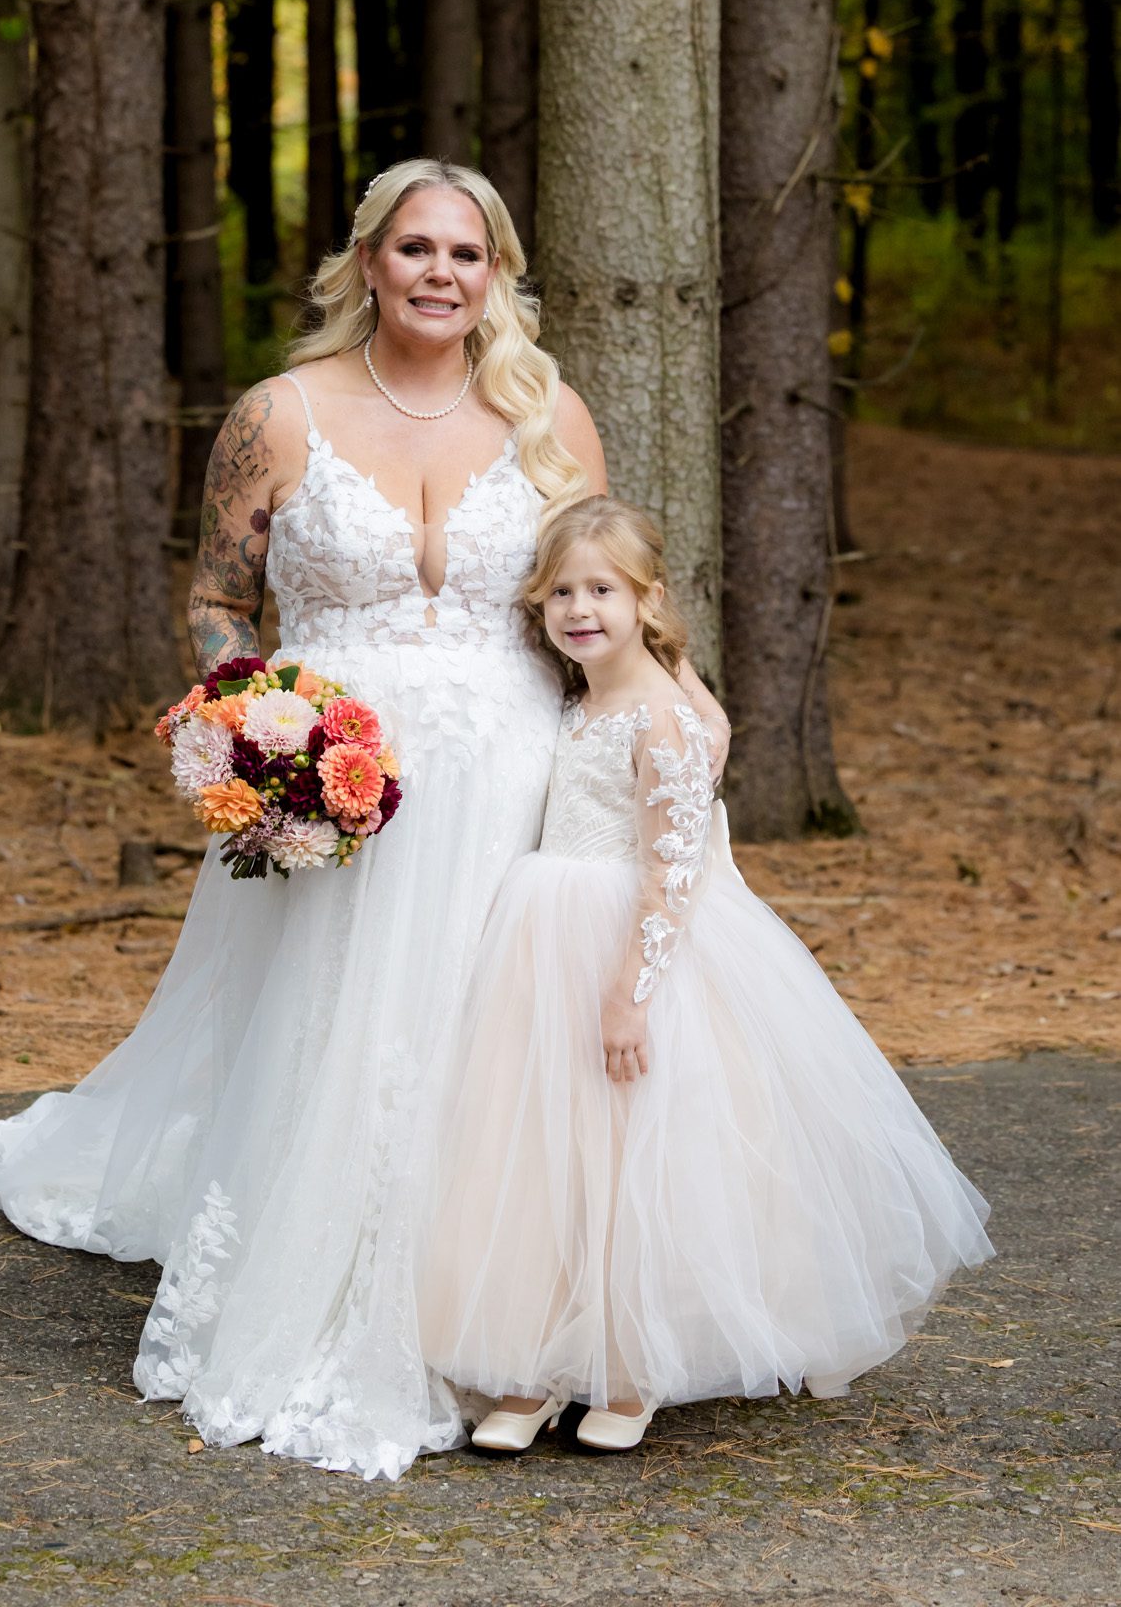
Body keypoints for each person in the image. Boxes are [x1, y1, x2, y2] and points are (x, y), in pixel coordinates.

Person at [0, 160, 730, 1481]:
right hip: (337, 783)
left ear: (496, 273)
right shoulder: (277, 413)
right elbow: (221, 598)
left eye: (467, 253)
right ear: (368, 264)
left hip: (514, 781)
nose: (440, 274)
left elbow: (601, 584)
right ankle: (330, 1292)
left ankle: (507, 1309)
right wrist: (250, 716)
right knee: (341, 1037)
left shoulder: (546, 411)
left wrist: (680, 701)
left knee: (499, 1042)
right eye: (415, 249)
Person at [420, 496, 993, 1454]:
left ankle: (630, 1366)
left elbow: (671, 870)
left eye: (601, 588)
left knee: (633, 1155)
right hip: (536, 941)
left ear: (645, 600)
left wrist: (627, 995)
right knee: (540, 1151)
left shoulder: (662, 717)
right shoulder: (579, 700)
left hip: (628, 954)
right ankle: (532, 1363)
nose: (577, 608)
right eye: (560, 590)